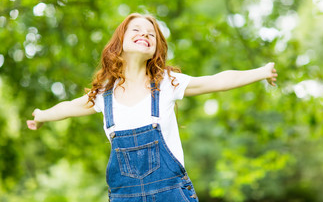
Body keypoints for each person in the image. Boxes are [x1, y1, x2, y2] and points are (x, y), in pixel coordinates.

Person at [27, 13, 278, 201]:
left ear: (155, 47)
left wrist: (262, 71)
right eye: (136, 30)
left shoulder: (168, 83)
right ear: (120, 42)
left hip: (172, 194)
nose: (145, 35)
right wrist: (41, 115)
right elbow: (68, 107)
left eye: (151, 34)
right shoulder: (105, 94)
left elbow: (219, 80)